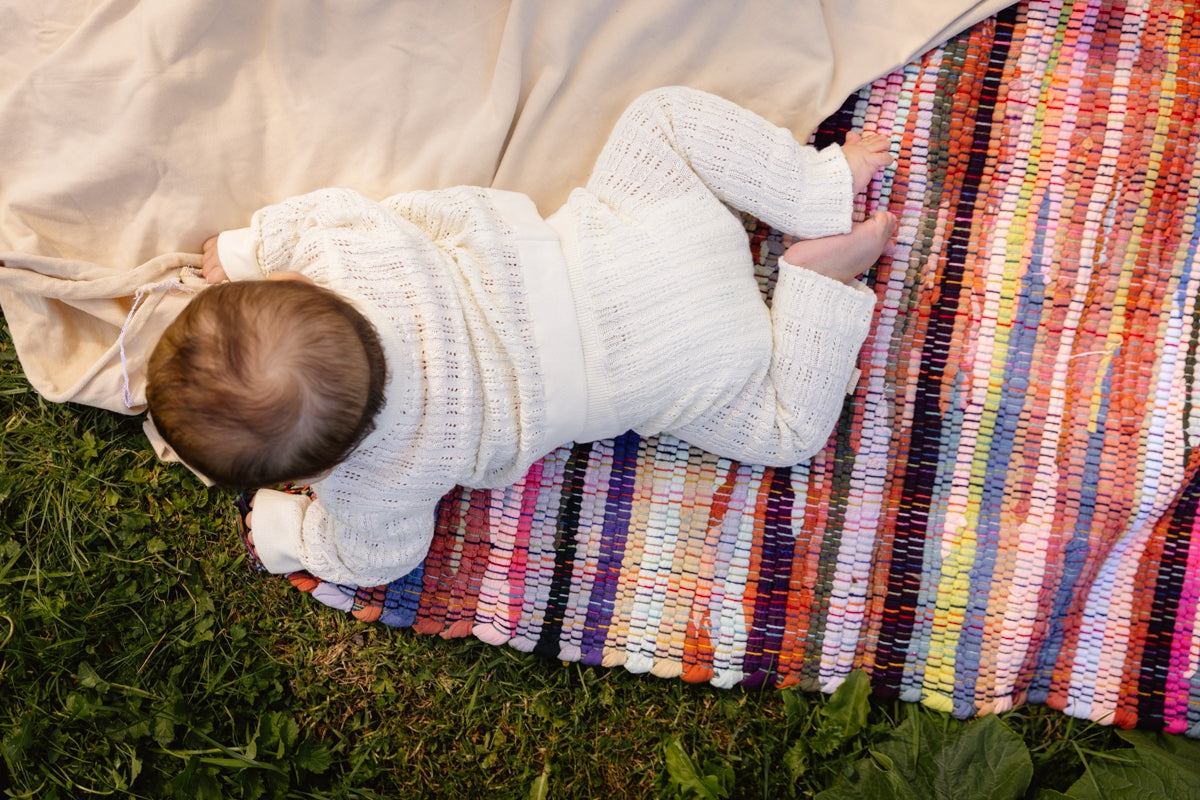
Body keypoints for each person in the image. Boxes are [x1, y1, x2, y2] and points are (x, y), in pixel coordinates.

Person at [147, 86, 897, 586]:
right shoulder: (349, 253)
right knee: (659, 119)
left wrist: (293, 537)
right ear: (295, 287)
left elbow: (376, 558)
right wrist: (246, 249)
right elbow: (314, 216)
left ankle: (819, 285)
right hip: (642, 231)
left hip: (684, 363)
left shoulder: (372, 480)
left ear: (317, 471)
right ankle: (813, 189)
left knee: (787, 429)